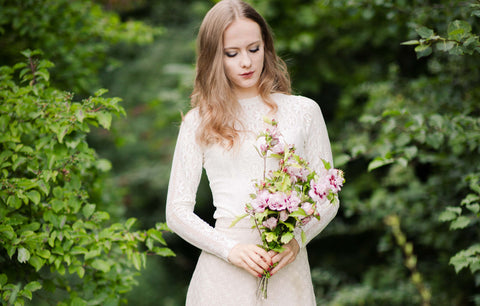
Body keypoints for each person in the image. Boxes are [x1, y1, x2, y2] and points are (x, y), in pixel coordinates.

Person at [165, 0, 338, 305]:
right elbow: (177, 212)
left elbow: (328, 197)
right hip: (222, 276)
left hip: (286, 268)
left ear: (266, 48)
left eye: (254, 49)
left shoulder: (304, 111)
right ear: (214, 57)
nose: (246, 61)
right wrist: (230, 249)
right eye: (232, 53)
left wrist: (296, 241)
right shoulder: (199, 121)